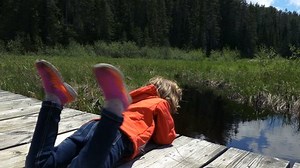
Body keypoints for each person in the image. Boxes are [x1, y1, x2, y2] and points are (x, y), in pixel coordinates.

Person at [25, 60, 182, 168]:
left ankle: (54, 99)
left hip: (92, 127)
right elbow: (165, 137)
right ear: (170, 97)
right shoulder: (160, 103)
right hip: (119, 134)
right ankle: (113, 107)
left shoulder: (134, 99)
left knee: (39, 164)